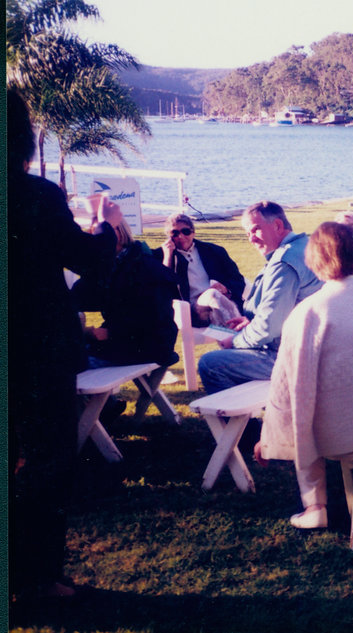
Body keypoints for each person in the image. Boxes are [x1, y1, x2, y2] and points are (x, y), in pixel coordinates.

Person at [8, 89, 122, 599]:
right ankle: (35, 579)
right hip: (37, 350)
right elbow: (89, 261)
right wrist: (107, 228)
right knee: (45, 460)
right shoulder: (35, 196)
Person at [254, 222, 353, 529]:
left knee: (304, 411)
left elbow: (285, 389)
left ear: (314, 262)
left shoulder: (308, 312)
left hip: (337, 440)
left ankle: (315, 505)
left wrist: (269, 437)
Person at [197, 201, 322, 393]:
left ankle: (248, 423)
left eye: (255, 230)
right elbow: (283, 312)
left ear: (278, 225)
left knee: (210, 365)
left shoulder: (285, 263)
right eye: (248, 233)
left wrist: (236, 341)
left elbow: (268, 328)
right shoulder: (305, 246)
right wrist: (251, 322)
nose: (251, 239)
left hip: (290, 356)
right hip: (310, 347)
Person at [71, 213, 181, 369]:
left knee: (73, 368)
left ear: (122, 233)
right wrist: (94, 265)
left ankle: (99, 394)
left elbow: (153, 317)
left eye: (107, 230)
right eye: (95, 232)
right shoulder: (111, 264)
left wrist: (109, 333)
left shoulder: (143, 266)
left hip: (148, 344)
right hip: (125, 338)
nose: (100, 236)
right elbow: (80, 298)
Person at [153, 212, 245, 326]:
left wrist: (226, 289)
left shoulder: (213, 251)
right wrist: (168, 256)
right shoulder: (160, 256)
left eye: (185, 231)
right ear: (168, 235)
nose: (181, 237)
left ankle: (232, 340)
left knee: (216, 304)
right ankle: (242, 336)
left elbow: (238, 279)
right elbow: (163, 287)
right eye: (175, 233)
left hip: (221, 303)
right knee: (212, 294)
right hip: (193, 310)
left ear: (193, 233)